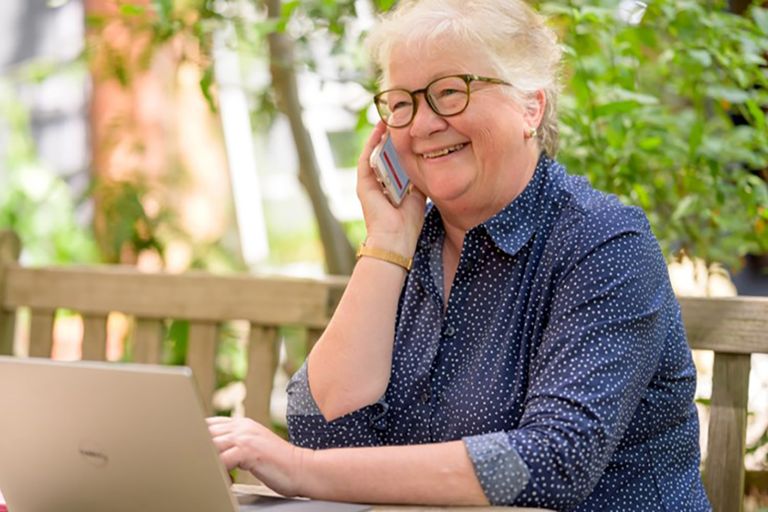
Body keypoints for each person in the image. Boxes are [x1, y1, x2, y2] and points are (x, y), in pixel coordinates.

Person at [208, 0, 711, 509]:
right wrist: (387, 243)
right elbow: (324, 431)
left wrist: (299, 469)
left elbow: (555, 459)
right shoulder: (410, 249)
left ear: (529, 107)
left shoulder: (603, 243)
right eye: (402, 103)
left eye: (449, 92)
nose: (423, 124)